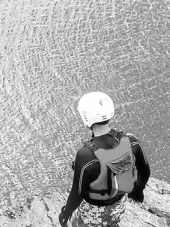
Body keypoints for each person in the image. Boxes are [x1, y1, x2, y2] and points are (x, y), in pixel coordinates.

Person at [59, 92, 151, 227]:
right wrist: (138, 191)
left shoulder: (86, 155)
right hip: (119, 206)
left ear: (86, 117)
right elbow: (145, 171)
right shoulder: (131, 141)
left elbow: (77, 192)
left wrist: (65, 213)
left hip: (93, 213)